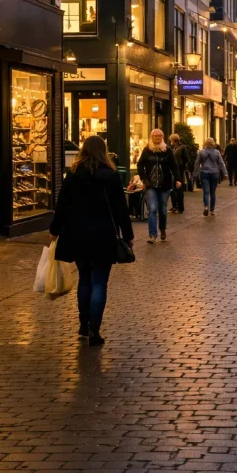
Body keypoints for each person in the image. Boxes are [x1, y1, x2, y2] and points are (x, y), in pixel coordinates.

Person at [51, 135, 133, 346]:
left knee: (85, 279)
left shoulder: (73, 174)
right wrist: (128, 235)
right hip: (104, 234)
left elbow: (62, 204)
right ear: (103, 151)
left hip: (78, 234)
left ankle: (83, 323)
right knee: (99, 282)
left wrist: (54, 229)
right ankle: (95, 329)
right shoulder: (111, 176)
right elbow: (120, 208)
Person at [137, 130, 181, 244]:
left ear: (162, 137)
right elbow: (140, 165)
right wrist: (144, 178)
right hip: (150, 184)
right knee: (152, 209)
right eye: (154, 136)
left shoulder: (167, 150)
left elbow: (174, 166)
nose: (157, 137)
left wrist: (178, 179)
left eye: (159, 135)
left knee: (163, 209)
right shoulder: (147, 150)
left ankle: (162, 229)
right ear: (151, 137)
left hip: (165, 185)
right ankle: (152, 235)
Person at [193, 137, 227, 217]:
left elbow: (197, 163)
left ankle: (206, 206)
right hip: (215, 173)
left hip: (204, 172)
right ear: (213, 143)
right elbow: (221, 163)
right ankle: (212, 210)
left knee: (206, 192)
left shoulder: (201, 152)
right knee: (213, 192)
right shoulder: (217, 152)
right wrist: (225, 173)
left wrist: (195, 173)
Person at [169, 133, 189, 214]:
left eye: (171, 140)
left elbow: (186, 159)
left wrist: (183, 167)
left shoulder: (182, 148)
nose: (170, 142)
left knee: (179, 188)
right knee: (173, 188)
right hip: (173, 170)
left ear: (174, 140)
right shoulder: (173, 148)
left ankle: (180, 207)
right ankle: (174, 206)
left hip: (179, 171)